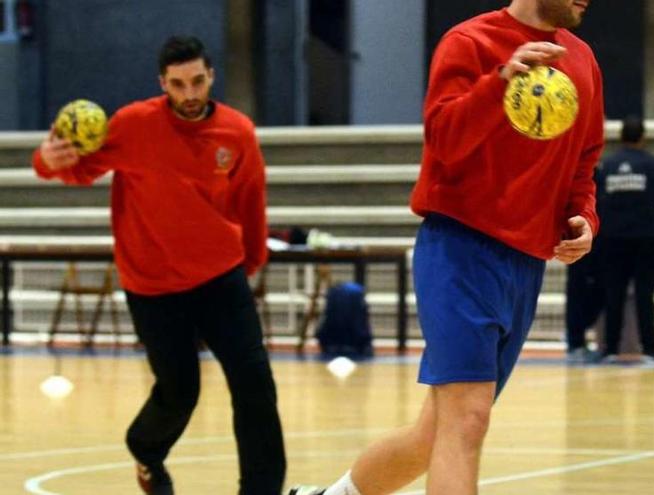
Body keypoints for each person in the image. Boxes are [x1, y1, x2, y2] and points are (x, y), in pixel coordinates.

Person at [290, 1, 604, 494]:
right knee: (468, 421)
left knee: (433, 433)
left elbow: (584, 162)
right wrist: (499, 81)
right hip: (462, 249)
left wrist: (583, 218)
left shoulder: (583, 60)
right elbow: (443, 139)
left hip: (525, 264)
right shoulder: (470, 42)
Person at [32, 36, 286, 494]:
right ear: (162, 84)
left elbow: (250, 200)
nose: (189, 94)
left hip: (220, 278)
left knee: (254, 383)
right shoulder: (133, 125)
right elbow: (77, 170)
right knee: (179, 393)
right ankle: (146, 451)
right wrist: (46, 161)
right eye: (177, 84)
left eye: (196, 81)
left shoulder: (238, 132)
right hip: (153, 287)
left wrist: (251, 261)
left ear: (211, 76)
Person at [593, 117, 654, 362]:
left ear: (621, 136)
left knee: (613, 294)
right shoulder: (653, 164)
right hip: (646, 238)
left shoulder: (608, 165)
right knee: (645, 295)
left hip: (613, 239)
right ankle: (650, 348)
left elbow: (598, 196)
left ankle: (610, 348)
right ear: (642, 137)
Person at [564, 241, 604, 362]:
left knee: (600, 292)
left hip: (602, 240)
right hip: (579, 245)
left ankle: (577, 342)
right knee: (577, 290)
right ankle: (575, 343)